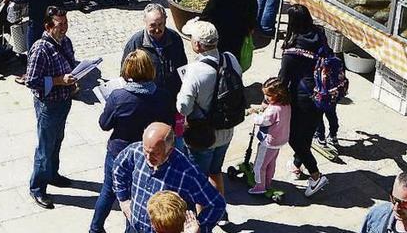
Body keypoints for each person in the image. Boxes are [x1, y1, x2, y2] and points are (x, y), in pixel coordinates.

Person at [89, 50, 176, 233]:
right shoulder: (163, 96)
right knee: (137, 196)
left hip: (119, 152)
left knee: (108, 190)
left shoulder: (118, 97)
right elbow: (169, 126)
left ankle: (95, 228)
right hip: (148, 155)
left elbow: (104, 124)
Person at [113, 122, 226, 233]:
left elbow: (216, 204)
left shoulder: (187, 173)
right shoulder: (136, 151)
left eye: (155, 154)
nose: (147, 157)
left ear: (170, 150)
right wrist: (123, 200)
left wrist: (199, 228)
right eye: (145, 151)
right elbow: (119, 167)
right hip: (134, 228)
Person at [176, 20, 243, 209]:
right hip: (226, 131)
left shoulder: (195, 71)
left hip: (203, 136)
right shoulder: (231, 59)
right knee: (216, 172)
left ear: (197, 45)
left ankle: (202, 220)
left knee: (198, 181)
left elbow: (183, 108)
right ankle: (220, 212)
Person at [23, 6, 78, 210]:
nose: (64, 28)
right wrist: (59, 81)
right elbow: (31, 81)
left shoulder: (66, 42)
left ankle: (53, 174)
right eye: (59, 24)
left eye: (66, 23)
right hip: (48, 105)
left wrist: (73, 80)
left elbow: (69, 66)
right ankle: (37, 187)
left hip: (64, 101)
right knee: (45, 148)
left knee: (57, 141)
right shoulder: (40, 48)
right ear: (48, 26)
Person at [279, 4, 329, 197]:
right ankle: (297, 164)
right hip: (322, 94)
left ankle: (315, 175)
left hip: (302, 99)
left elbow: (283, 81)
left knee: (293, 138)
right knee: (306, 134)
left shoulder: (292, 52)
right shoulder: (320, 35)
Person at [122, 3, 187, 98]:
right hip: (148, 98)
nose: (157, 30)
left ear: (165, 20)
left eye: (160, 24)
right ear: (145, 22)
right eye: (152, 25)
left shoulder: (175, 38)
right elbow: (125, 74)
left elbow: (183, 66)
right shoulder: (136, 43)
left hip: (171, 96)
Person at [245, 77, 291, 195]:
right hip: (280, 140)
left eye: (268, 95)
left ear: (278, 94)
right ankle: (268, 182)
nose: (266, 98)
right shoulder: (286, 105)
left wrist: (254, 115)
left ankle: (260, 186)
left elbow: (263, 121)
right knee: (271, 163)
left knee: (259, 165)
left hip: (268, 142)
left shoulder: (273, 110)